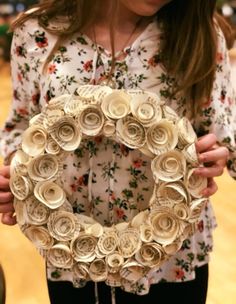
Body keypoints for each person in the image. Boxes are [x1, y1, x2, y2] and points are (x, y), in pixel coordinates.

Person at [0, 0, 235, 303]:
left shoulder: (199, 33)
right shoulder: (36, 33)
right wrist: (12, 174)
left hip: (170, 258)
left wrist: (215, 154)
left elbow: (220, 131)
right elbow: (20, 123)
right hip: (71, 255)